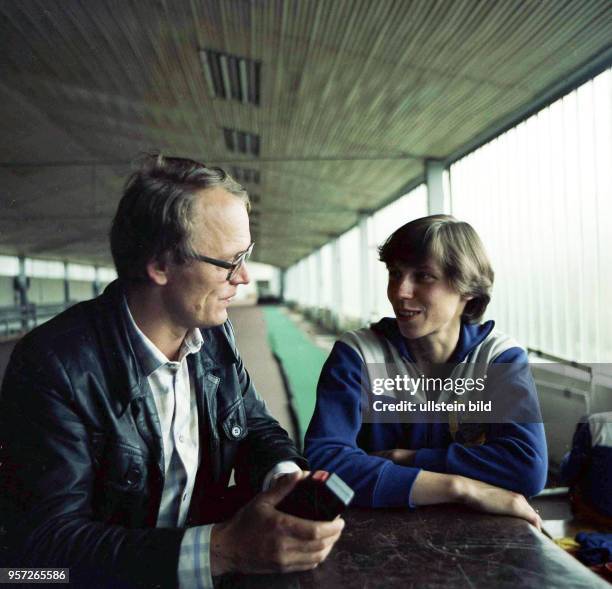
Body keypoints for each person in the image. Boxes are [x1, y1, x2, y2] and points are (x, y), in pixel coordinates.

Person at [0, 154, 343, 588]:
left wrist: (285, 477)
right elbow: (42, 552)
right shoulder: (54, 365)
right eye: (229, 262)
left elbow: (253, 424)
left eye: (247, 256)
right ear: (160, 265)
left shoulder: (213, 334)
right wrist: (221, 549)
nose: (245, 278)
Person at [305, 215, 546, 527]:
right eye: (395, 273)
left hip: (472, 537)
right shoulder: (358, 355)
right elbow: (324, 463)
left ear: (467, 290)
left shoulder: (498, 359)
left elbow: (526, 467)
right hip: (372, 532)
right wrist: (459, 487)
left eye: (424, 276)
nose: (400, 292)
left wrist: (406, 458)